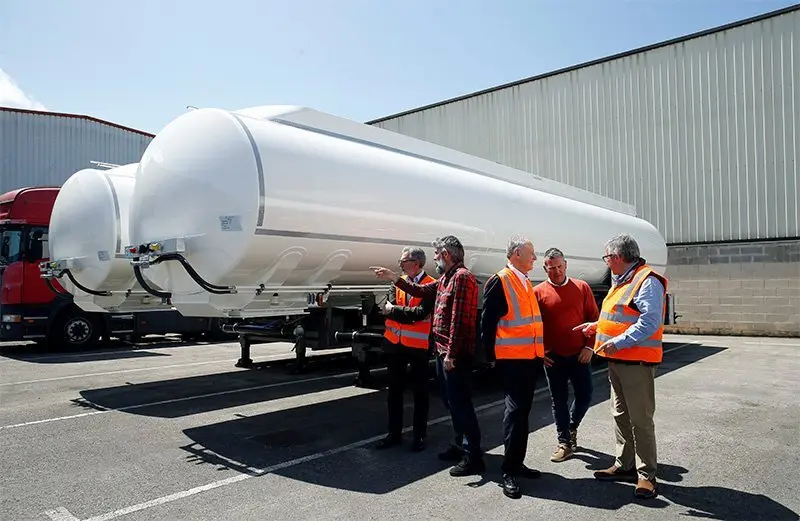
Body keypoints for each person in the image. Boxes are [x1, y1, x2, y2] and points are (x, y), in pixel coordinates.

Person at [371, 235, 485, 477]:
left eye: (436, 255)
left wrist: (452, 354)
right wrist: (393, 277)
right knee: (451, 403)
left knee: (461, 404)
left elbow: (460, 321)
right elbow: (420, 290)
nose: (434, 259)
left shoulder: (462, 278)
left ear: (446, 255)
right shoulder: (447, 278)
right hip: (442, 352)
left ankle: (472, 455)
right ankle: (459, 446)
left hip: (453, 356)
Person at [573, 233, 668, 500]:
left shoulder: (646, 281)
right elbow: (619, 316)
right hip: (618, 362)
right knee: (620, 416)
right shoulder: (622, 280)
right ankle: (625, 465)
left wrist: (620, 342)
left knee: (640, 421)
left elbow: (650, 322)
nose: (606, 262)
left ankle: (647, 476)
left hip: (636, 363)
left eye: (607, 257)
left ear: (616, 257)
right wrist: (596, 327)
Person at [480, 234, 551, 499]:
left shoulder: (523, 281)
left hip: (529, 358)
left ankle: (516, 463)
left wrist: (539, 352)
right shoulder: (501, 281)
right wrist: (489, 357)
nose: (535, 258)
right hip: (512, 360)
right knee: (515, 412)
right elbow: (487, 324)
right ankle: (508, 471)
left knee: (522, 414)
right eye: (531, 253)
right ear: (517, 254)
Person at [533, 247, 599, 463]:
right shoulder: (538, 292)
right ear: (545, 268)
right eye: (552, 268)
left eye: (560, 267)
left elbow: (594, 318)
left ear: (566, 265)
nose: (557, 271)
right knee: (558, 400)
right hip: (553, 357)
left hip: (580, 354)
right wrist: (539, 351)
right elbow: (533, 326)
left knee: (585, 395)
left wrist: (589, 347)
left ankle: (571, 427)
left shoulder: (582, 287)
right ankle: (564, 442)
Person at [375, 246, 436, 452]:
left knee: (420, 393)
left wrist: (397, 312)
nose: (400, 264)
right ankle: (394, 434)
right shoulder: (398, 283)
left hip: (417, 347)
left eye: (404, 261)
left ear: (416, 263)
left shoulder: (430, 285)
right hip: (395, 345)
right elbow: (387, 309)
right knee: (394, 392)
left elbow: (421, 313)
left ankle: (419, 436)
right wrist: (403, 313)